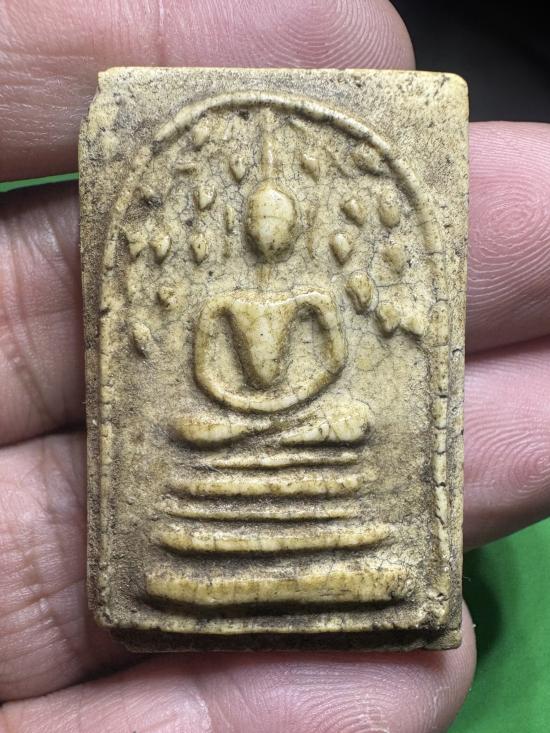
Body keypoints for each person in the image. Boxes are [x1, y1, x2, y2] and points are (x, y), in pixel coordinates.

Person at [0, 1, 549, 730]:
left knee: (348, 422)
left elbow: (331, 365)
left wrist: (289, 406)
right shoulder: (222, 296)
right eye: (256, 221)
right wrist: (247, 407)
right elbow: (206, 370)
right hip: (234, 422)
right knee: (192, 428)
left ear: (293, 226)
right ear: (243, 225)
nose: (266, 232)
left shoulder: (315, 295)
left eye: (277, 221)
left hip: (299, 420)